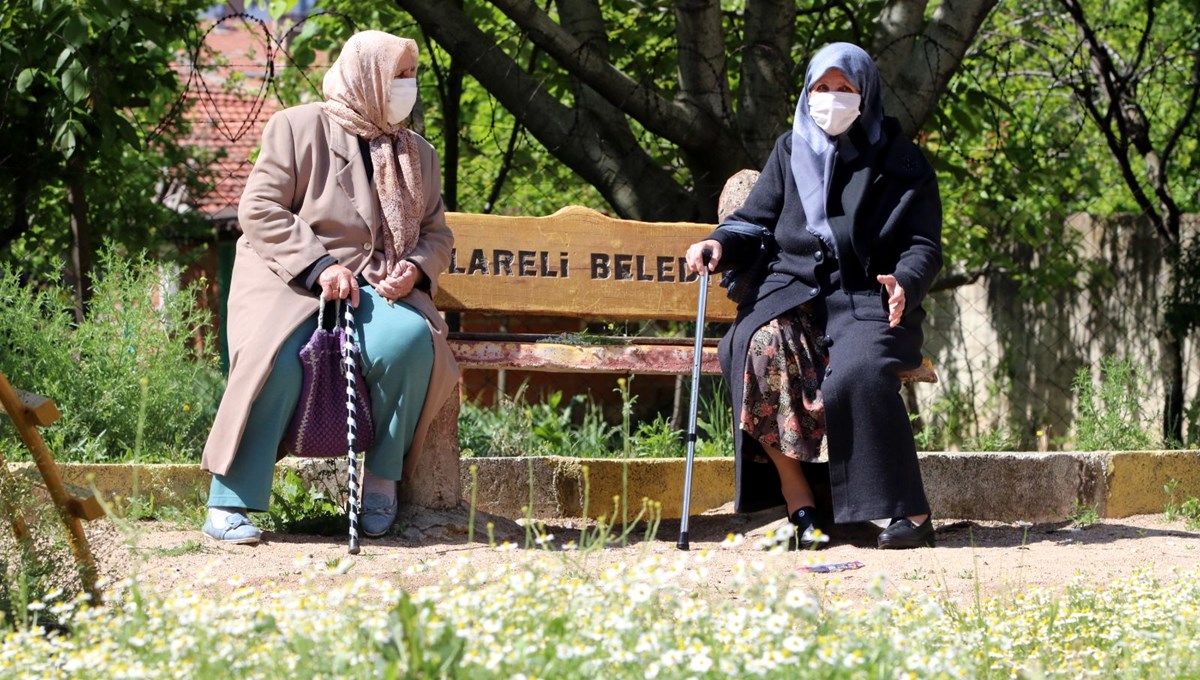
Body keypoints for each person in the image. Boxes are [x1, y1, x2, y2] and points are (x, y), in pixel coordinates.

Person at [199, 31, 459, 544]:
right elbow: (260, 210)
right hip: (291, 278)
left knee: (409, 341)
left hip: (376, 283)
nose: (409, 86)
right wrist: (319, 267)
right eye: (399, 75)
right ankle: (229, 501)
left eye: (413, 75)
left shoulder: (418, 154)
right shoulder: (297, 127)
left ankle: (381, 482)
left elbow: (437, 234)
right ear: (366, 75)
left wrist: (416, 268)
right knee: (280, 356)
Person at [684, 42, 942, 550]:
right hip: (792, 290)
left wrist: (905, 283)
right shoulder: (789, 148)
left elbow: (923, 245)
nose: (831, 99)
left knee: (858, 375)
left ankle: (910, 513)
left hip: (866, 296)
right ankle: (800, 503)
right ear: (807, 92)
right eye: (821, 89)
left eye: (843, 89)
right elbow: (752, 223)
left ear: (865, 93)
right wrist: (717, 241)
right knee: (753, 350)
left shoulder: (902, 161)